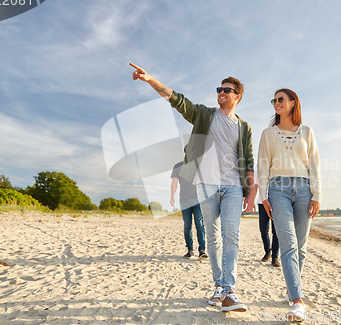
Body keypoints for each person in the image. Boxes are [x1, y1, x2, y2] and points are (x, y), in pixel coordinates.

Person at [130, 63, 255, 313]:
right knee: (213, 238)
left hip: (232, 186)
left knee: (231, 237)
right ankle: (219, 287)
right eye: (219, 89)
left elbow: (249, 161)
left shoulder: (244, 127)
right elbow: (176, 100)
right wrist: (150, 79)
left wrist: (251, 193)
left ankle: (229, 290)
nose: (221, 92)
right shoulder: (204, 115)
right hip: (205, 185)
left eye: (227, 90)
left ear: (237, 96)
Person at [257, 88, 321, 321]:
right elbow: (262, 164)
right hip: (277, 189)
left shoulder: (306, 131)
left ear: (293, 103)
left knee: (301, 246)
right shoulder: (268, 133)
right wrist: (263, 195)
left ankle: (291, 290)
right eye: (274, 100)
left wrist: (317, 194)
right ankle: (297, 301)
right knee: (288, 244)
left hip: (305, 189)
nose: (276, 103)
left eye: (281, 99)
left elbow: (314, 164)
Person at [171, 145, 207, 260]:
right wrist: (172, 196)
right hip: (185, 200)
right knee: (188, 226)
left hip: (198, 200)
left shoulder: (200, 166)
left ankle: (202, 250)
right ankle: (190, 250)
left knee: (199, 225)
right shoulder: (178, 166)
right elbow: (174, 182)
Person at [253, 166, 280, 267]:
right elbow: (255, 185)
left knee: (276, 230)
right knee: (263, 229)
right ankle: (268, 251)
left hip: (277, 201)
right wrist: (252, 200)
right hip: (262, 202)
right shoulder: (257, 168)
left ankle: (275, 257)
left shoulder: (277, 166)